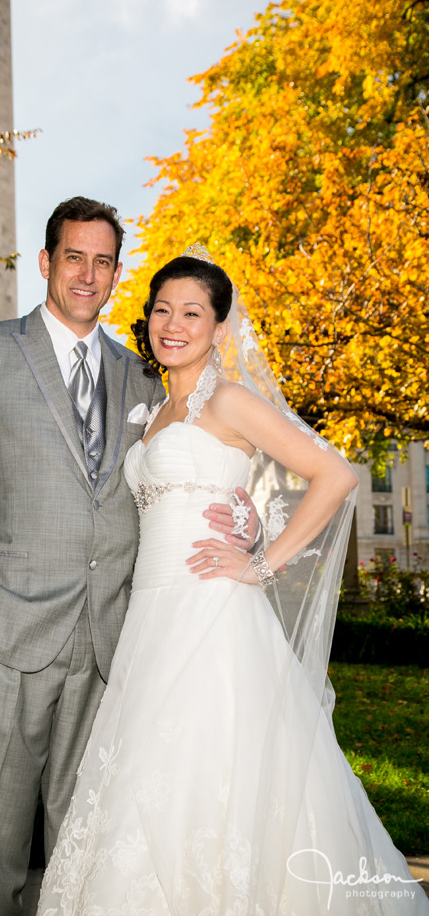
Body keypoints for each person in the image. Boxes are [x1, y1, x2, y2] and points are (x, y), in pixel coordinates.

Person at [36, 248, 429, 915]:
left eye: (193, 312)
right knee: (147, 777)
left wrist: (262, 559)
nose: (173, 323)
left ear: (220, 328)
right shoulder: (152, 412)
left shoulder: (230, 399)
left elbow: (335, 476)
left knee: (216, 768)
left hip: (213, 615)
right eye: (162, 308)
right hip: (150, 620)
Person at [0, 200, 254, 916]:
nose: (88, 274)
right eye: (74, 257)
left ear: (117, 273)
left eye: (103, 261)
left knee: (88, 856)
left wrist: (244, 519)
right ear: (46, 262)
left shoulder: (144, 377)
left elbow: (173, 483)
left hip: (112, 650)